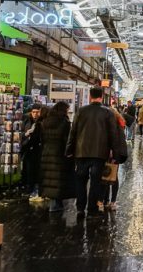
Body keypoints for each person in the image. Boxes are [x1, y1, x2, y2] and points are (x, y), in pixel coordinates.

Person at [66, 87, 121, 218]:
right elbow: (113, 135)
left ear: (90, 97)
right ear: (101, 97)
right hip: (100, 153)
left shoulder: (81, 111)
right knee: (96, 182)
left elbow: (73, 132)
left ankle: (80, 208)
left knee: (81, 180)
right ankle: (91, 210)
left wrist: (69, 150)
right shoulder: (107, 113)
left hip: (81, 152)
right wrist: (115, 154)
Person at [39, 102, 74, 212]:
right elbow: (67, 140)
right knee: (58, 179)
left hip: (46, 152)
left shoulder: (45, 121)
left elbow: (42, 138)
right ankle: (56, 204)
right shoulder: (64, 122)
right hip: (59, 153)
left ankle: (53, 203)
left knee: (49, 178)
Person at [102, 108, 129, 211]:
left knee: (106, 176)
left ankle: (107, 201)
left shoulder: (111, 126)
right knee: (113, 177)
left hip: (110, 155)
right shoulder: (120, 125)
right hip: (116, 155)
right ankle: (112, 201)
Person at [21, 103, 44, 200]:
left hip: (37, 149)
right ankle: (28, 187)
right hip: (27, 148)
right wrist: (26, 134)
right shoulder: (26, 119)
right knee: (28, 169)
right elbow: (21, 133)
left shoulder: (42, 121)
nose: (35, 114)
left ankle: (33, 188)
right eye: (33, 112)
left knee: (35, 169)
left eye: (37, 112)